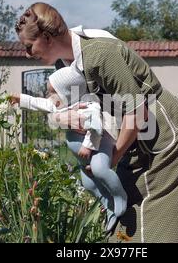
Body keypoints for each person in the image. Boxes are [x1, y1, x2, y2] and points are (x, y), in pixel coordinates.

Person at [14, 2, 178, 243]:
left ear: (47, 38)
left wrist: (114, 156)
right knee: (126, 229)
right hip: (133, 139)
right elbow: (57, 103)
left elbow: (137, 112)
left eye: (29, 47)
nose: (28, 54)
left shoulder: (100, 54)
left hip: (165, 137)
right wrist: (59, 116)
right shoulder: (65, 63)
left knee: (156, 232)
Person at [10, 66, 127, 233]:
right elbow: (39, 103)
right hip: (83, 158)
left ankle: (120, 197)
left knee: (100, 170)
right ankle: (108, 205)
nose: (49, 96)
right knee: (89, 185)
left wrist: (87, 145)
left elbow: (96, 126)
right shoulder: (60, 106)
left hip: (100, 146)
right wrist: (20, 99)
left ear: (67, 93)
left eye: (52, 92)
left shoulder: (87, 105)